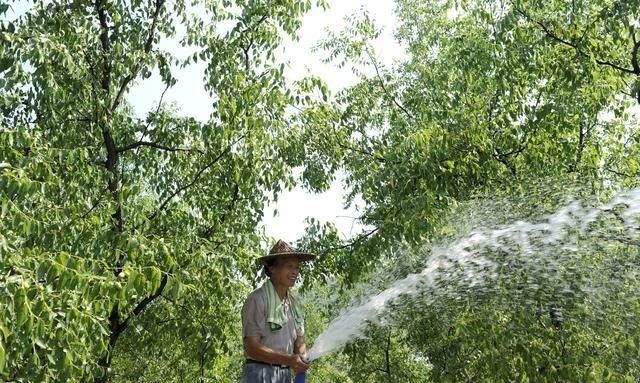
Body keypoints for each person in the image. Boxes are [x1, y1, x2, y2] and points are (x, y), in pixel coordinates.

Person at [241, 240, 315, 383]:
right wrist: (289, 359)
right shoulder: (257, 300)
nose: (294, 271)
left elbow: (300, 342)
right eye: (289, 266)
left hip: (284, 375)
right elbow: (252, 347)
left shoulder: (294, 305)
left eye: (297, 267)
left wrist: (302, 358)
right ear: (272, 268)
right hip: (259, 374)